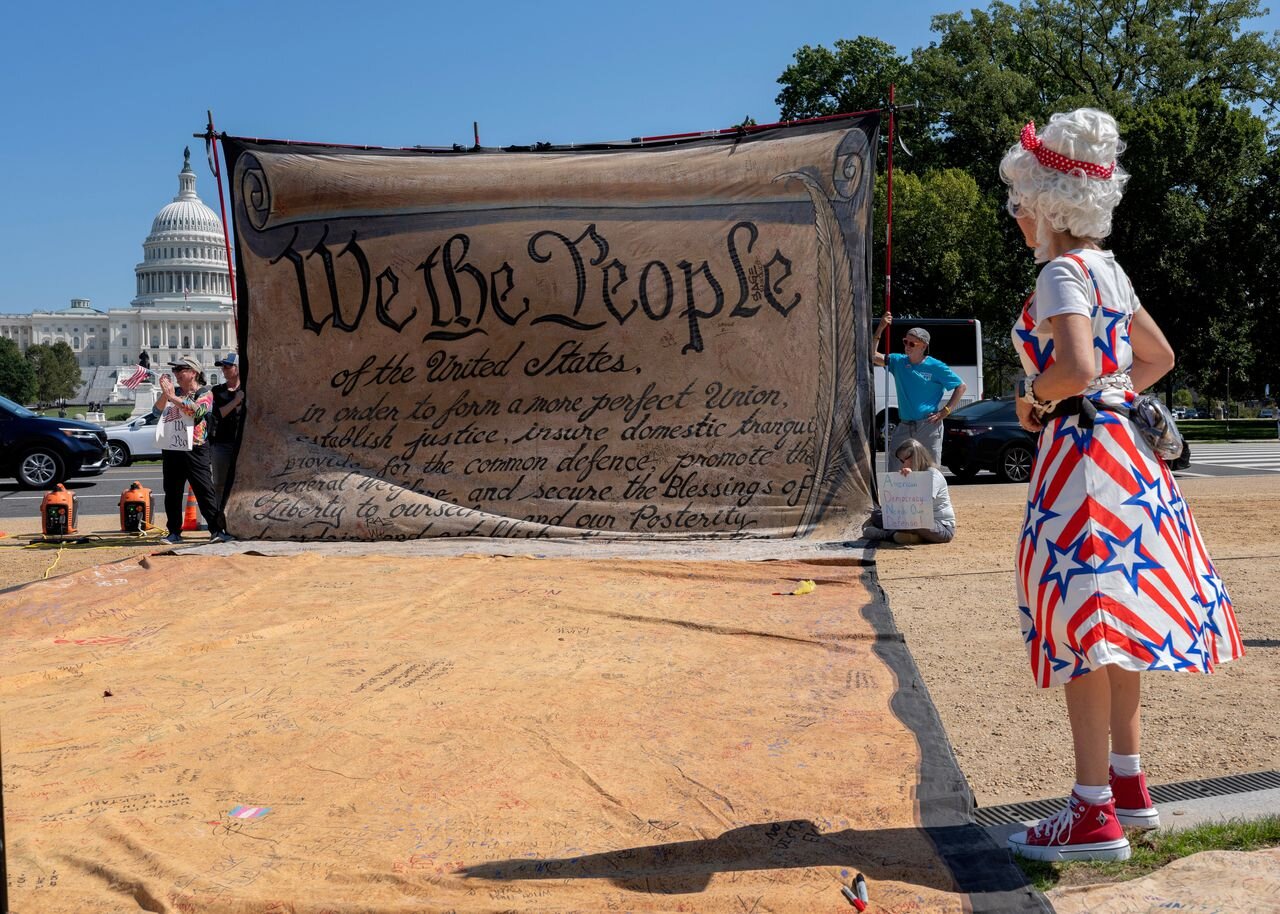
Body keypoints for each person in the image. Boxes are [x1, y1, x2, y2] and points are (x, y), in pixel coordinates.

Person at [999, 109, 1244, 862]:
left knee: (1083, 630)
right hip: (1125, 461)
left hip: (1079, 462)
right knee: (1118, 625)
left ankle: (1090, 812)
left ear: (1044, 205)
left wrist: (1038, 402)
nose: (1016, 220)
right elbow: (1159, 355)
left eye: (1019, 206)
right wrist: (1113, 394)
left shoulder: (1060, 273)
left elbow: (1069, 367)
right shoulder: (1109, 268)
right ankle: (1129, 789)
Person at [154, 355, 231, 544]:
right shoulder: (175, 392)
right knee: (172, 492)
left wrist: (172, 397)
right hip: (173, 446)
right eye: (174, 370)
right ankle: (173, 531)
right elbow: (156, 412)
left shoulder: (205, 392)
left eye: (180, 369)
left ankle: (216, 530)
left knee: (204, 489)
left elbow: (198, 411)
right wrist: (166, 395)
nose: (176, 374)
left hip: (195, 447)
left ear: (193, 372)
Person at [872, 316, 966, 469]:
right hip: (904, 425)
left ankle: (933, 494)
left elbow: (961, 386)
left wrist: (945, 411)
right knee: (895, 467)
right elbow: (872, 355)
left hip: (928, 426)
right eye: (905, 342)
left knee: (931, 470)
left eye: (912, 343)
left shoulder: (935, 366)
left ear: (923, 346)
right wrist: (881, 328)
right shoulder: (898, 362)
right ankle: (897, 494)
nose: (907, 346)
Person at [862, 438, 955, 545]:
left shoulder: (932, 474)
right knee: (877, 514)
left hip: (940, 527)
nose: (902, 465)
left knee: (916, 521)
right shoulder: (918, 473)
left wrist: (911, 481)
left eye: (903, 460)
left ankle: (887, 534)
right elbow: (902, 506)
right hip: (916, 522)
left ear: (915, 457)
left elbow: (921, 505)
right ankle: (908, 536)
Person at [210, 352, 245, 509]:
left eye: (227, 366)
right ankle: (220, 516)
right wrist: (237, 401)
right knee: (220, 483)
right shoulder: (218, 390)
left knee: (243, 482)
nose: (224, 370)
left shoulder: (247, 388)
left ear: (237, 368)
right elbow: (219, 414)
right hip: (222, 442)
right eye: (223, 367)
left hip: (244, 443)